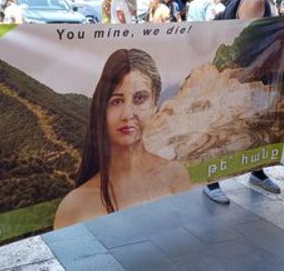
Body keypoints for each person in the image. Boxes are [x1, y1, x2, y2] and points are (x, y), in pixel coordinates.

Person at [54, 49, 191, 228]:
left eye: (140, 98)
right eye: (116, 101)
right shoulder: (75, 207)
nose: (128, 114)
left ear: (154, 103)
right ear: (102, 110)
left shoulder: (175, 176)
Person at [203, 0, 284, 204]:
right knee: (227, 130)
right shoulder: (254, 1)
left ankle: (258, 172)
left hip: (251, 78)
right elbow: (246, 43)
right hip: (243, 78)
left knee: (257, 127)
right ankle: (211, 182)